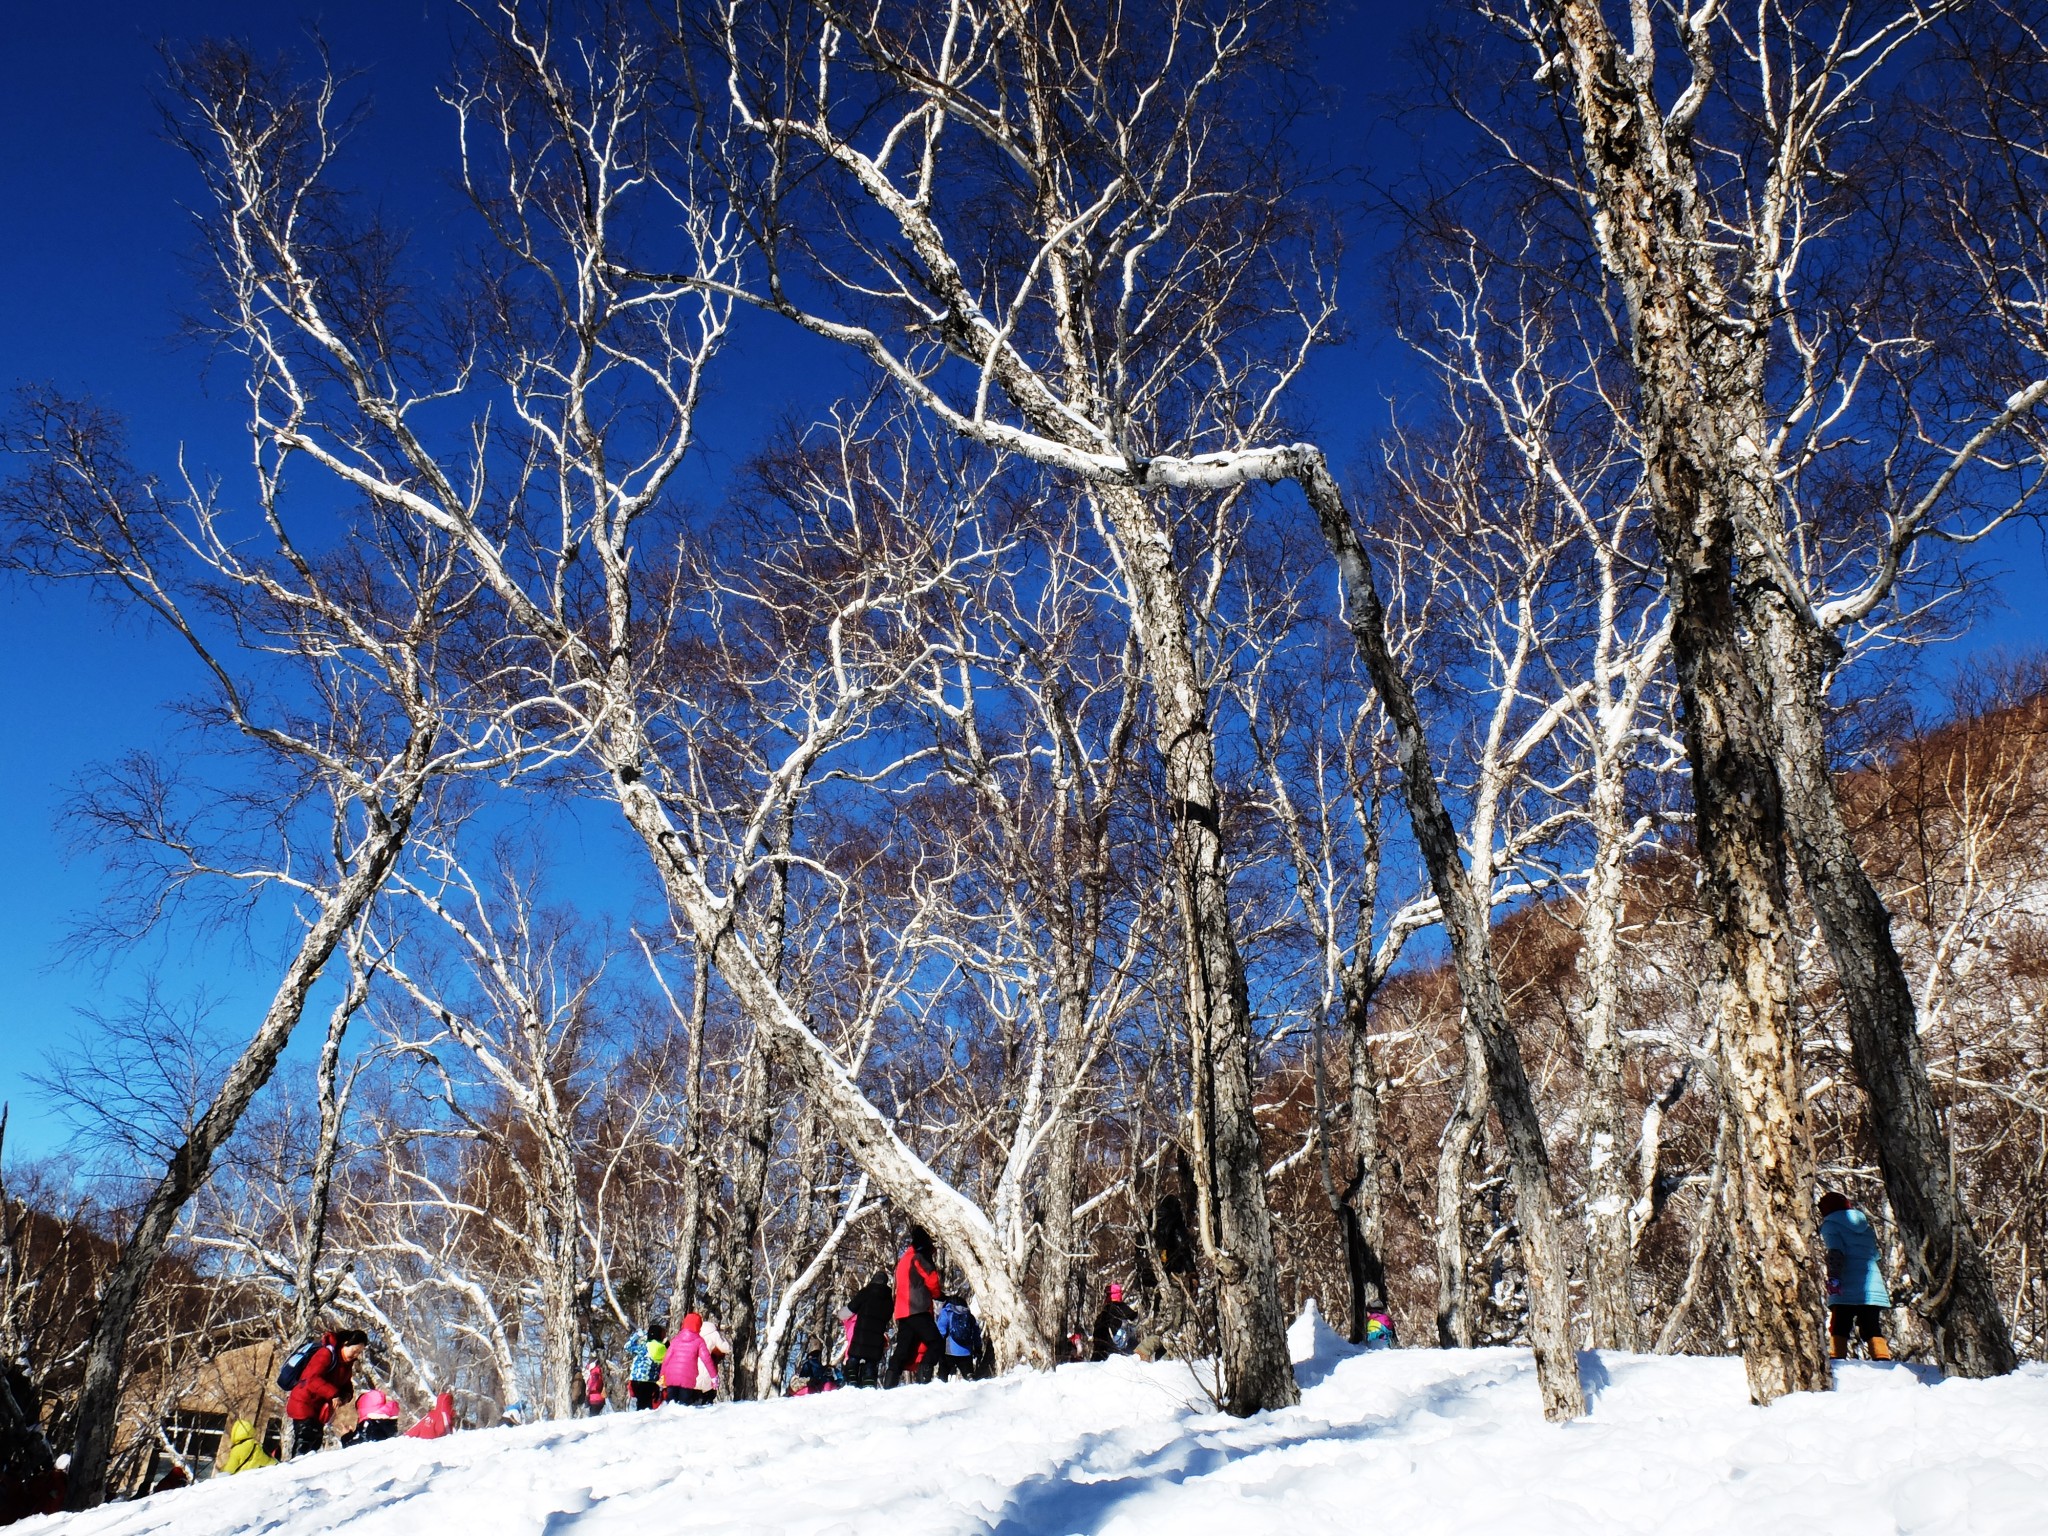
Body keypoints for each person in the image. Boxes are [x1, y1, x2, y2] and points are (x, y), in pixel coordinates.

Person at [1819, 1191, 1893, 1360]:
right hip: (1872, 1284)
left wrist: (1834, 1278)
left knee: (1839, 1325)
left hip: (1847, 1283)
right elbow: (1875, 1255)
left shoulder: (1831, 1225)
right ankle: (1882, 1359)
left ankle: (1837, 1359)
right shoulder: (1865, 1227)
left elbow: (1836, 1252)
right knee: (1871, 1326)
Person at [285, 1327, 367, 1458]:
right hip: (304, 1402)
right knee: (305, 1440)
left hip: (320, 1409)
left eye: (359, 1353)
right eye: (355, 1351)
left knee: (315, 1442)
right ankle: (295, 1472)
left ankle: (305, 1472)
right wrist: (334, 1394)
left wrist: (345, 1396)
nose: (356, 1355)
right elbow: (312, 1379)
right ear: (346, 1343)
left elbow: (347, 1386)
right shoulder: (326, 1354)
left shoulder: (346, 1364)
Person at [883, 1227, 944, 1388]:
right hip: (917, 1308)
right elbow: (931, 1278)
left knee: (903, 1350)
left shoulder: (904, 1260)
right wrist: (938, 1295)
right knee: (936, 1343)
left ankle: (889, 1385)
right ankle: (924, 1381)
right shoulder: (919, 1257)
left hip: (903, 1311)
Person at [661, 1313, 725, 1405]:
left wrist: (662, 1375)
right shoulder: (699, 1341)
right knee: (683, 1406)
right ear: (699, 1326)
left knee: (671, 1404)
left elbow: (667, 1358)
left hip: (671, 1377)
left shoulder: (676, 1339)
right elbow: (707, 1360)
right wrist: (714, 1377)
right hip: (687, 1378)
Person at [844, 1269, 893, 1388]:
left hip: (860, 1336)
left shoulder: (866, 1293)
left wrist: (842, 1314)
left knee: (853, 1359)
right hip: (876, 1339)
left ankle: (851, 1384)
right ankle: (869, 1386)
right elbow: (888, 1316)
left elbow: (852, 1308)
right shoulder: (888, 1300)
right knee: (871, 1363)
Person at [934, 1295, 982, 1381]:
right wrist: (978, 1348)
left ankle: (942, 1385)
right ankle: (970, 1380)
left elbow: (941, 1332)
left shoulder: (947, 1312)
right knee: (969, 1377)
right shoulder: (968, 1315)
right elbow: (976, 1333)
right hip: (966, 1352)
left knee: (943, 1376)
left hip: (949, 1351)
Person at [1091, 1283, 1138, 1362]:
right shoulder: (1120, 1307)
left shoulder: (1105, 1311)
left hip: (1102, 1347)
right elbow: (1134, 1317)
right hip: (1116, 1347)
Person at [626, 1324, 660, 1410]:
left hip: (635, 1379)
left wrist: (636, 1335)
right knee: (646, 1404)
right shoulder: (660, 1347)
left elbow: (627, 1347)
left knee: (641, 1403)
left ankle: (640, 1420)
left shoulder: (643, 1347)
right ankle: (644, 1421)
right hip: (649, 1380)